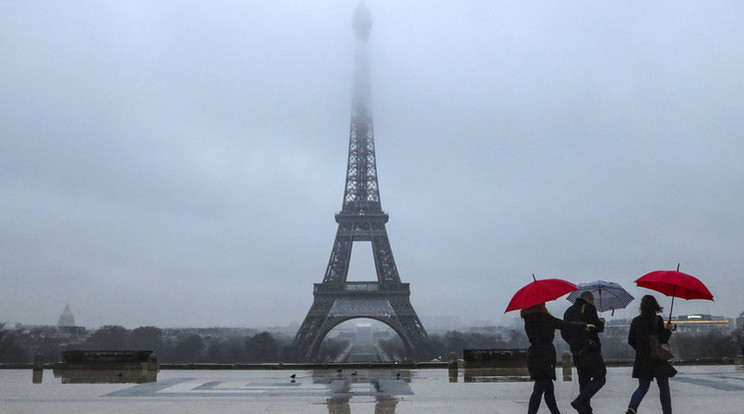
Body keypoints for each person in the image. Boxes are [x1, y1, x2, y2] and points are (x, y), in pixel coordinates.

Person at [521, 303, 595, 414]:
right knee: (540, 388)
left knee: (548, 389)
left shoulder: (528, 319)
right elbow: (564, 325)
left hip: (534, 354)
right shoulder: (544, 317)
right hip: (545, 355)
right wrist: (583, 326)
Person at [625, 295, 677, 414]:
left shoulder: (636, 321)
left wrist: (641, 350)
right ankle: (667, 412)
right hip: (657, 359)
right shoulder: (657, 320)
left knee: (642, 387)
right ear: (655, 306)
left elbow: (631, 340)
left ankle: (632, 409)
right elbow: (662, 338)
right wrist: (669, 329)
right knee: (663, 388)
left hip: (642, 360)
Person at [561, 291, 606, 414]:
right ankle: (580, 401)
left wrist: (573, 343)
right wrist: (601, 322)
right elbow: (596, 327)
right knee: (600, 377)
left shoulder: (568, 311)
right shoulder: (590, 308)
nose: (593, 302)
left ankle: (585, 410)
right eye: (593, 300)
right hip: (591, 350)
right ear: (589, 299)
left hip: (576, 352)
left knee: (584, 380)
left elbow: (564, 333)